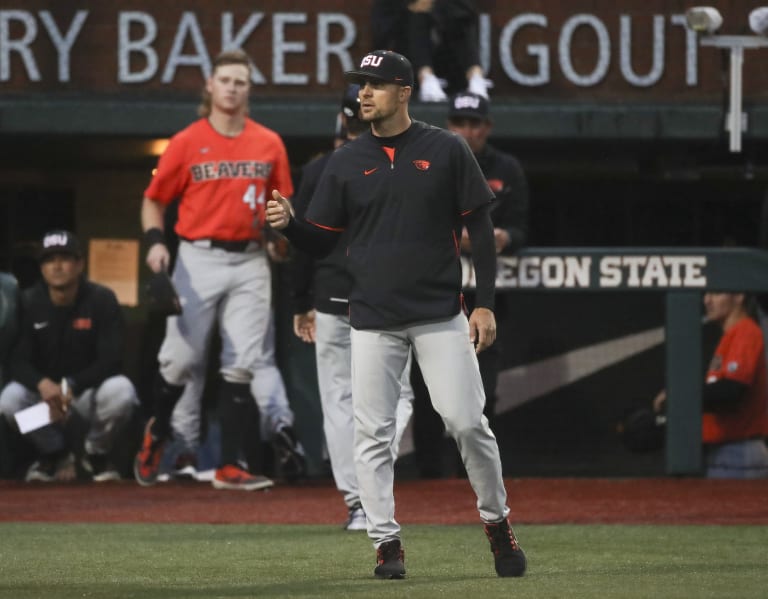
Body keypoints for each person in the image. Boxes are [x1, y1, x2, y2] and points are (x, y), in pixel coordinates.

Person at [267, 50, 526, 579]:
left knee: (466, 422)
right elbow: (321, 242)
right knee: (372, 434)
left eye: (375, 85)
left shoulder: (447, 147)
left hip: (438, 313)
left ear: (404, 92)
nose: (363, 93)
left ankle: (497, 522)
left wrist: (484, 303)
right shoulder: (344, 162)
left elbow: (479, 227)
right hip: (372, 317)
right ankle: (386, 542)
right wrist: (290, 225)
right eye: (360, 84)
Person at [133, 49, 294, 491]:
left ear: (249, 89)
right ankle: (158, 432)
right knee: (180, 359)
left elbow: (281, 203)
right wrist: (154, 244)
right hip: (197, 255)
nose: (232, 87)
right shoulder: (187, 141)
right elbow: (154, 198)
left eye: (240, 81)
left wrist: (281, 238)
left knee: (243, 361)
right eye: (225, 79)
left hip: (249, 258)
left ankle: (229, 464)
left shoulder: (269, 142)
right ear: (210, 85)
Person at [291, 83, 415, 531]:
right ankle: (371, 481)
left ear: (342, 121)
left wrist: (299, 300)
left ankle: (359, 501)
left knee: (340, 401)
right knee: (395, 398)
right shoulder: (399, 163)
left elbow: (301, 241)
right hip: (383, 297)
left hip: (331, 293)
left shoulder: (320, 167)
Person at [411, 91, 529, 477]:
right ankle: (429, 474)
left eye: (475, 124)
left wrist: (504, 237)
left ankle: (477, 474)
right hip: (435, 284)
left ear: (487, 127)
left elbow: (521, 226)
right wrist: (463, 236)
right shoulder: (429, 160)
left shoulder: (506, 167)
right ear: (449, 125)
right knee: (428, 386)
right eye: (460, 123)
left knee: (483, 388)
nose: (468, 131)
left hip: (486, 286)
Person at [0, 230, 139, 482]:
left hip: (86, 402)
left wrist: (71, 384)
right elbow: (17, 360)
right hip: (47, 408)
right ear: (41, 267)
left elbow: (112, 359)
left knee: (122, 391)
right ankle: (55, 453)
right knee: (9, 401)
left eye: (65, 258)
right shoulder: (29, 301)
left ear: (79, 264)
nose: (57, 266)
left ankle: (95, 453)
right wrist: (43, 385)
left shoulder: (101, 298)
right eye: (49, 259)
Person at [166, 307, 307, 482]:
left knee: (190, 360)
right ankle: (280, 425)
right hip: (251, 283)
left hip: (199, 284)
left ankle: (185, 451)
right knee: (258, 362)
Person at [653, 292, 768, 478]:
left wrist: (678, 397)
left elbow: (731, 392)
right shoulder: (731, 336)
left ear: (738, 296)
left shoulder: (746, 332)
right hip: (728, 452)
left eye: (716, 293)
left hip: (739, 452)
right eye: (706, 294)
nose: (707, 300)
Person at [371, 0, 490, 102]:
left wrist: (436, 5)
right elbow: (382, 23)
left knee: (459, 16)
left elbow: (466, 10)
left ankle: (475, 75)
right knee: (418, 15)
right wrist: (410, 8)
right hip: (406, 57)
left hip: (450, 58)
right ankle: (426, 77)